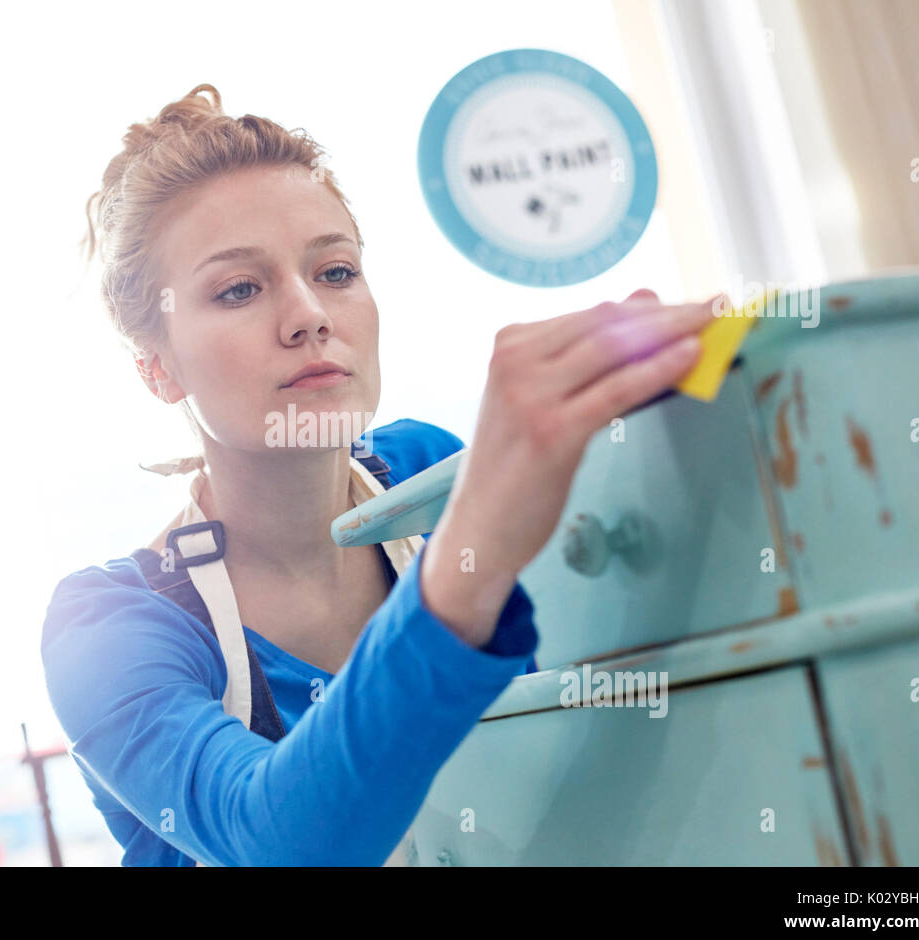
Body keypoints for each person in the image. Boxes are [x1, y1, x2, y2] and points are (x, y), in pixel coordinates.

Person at [40, 83, 711, 866]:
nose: (309, 315)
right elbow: (281, 841)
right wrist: (474, 556)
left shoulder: (429, 474)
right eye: (239, 289)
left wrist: (679, 445)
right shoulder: (109, 629)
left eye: (334, 271)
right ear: (157, 367)